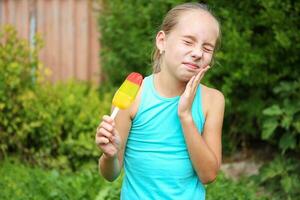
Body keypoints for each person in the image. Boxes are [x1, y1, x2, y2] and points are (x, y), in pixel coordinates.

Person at [95, 2, 225, 200]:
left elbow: (208, 175)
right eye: (188, 42)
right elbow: (110, 174)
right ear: (162, 41)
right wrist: (110, 155)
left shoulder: (212, 101)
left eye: (207, 48)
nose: (198, 53)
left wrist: (185, 116)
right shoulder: (133, 97)